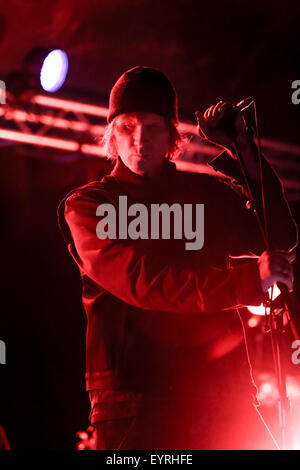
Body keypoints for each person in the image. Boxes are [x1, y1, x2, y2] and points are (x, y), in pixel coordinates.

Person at [58, 66, 297, 450]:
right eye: (127, 127)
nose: (139, 140)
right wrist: (249, 281)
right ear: (111, 134)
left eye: (152, 127)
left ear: (172, 134)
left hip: (219, 388)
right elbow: (143, 280)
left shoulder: (206, 194)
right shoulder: (90, 205)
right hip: (135, 398)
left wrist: (242, 148)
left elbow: (280, 235)